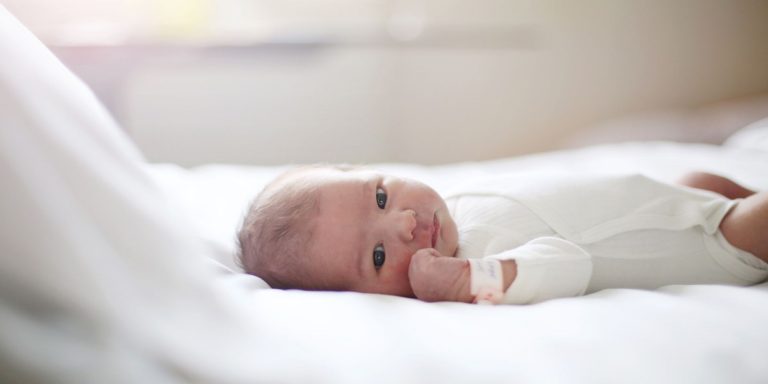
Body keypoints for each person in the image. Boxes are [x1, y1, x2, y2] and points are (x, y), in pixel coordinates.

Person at [237, 165, 768, 304]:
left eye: (379, 196)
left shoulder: (452, 214)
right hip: (708, 242)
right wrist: (471, 282)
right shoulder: (476, 272)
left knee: (702, 182)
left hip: (662, 198)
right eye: (378, 256)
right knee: (751, 221)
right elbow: (567, 264)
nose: (403, 222)